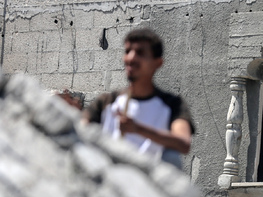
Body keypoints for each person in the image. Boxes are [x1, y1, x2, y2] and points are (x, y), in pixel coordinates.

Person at [82, 28, 194, 167]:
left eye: (140, 53)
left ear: (157, 63)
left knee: (172, 158)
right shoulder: (107, 101)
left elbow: (183, 143)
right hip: (108, 176)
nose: (131, 58)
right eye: (127, 51)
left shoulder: (172, 104)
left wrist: (138, 129)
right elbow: (81, 130)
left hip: (149, 179)